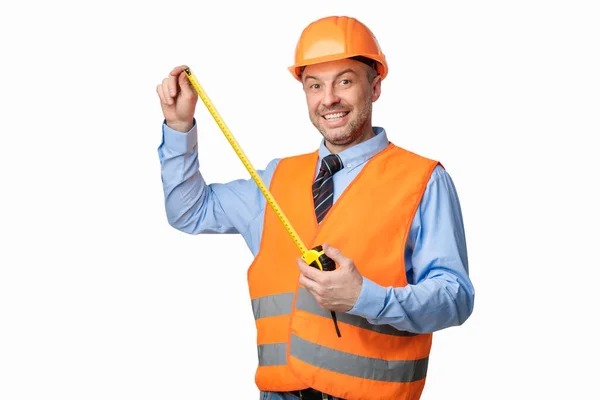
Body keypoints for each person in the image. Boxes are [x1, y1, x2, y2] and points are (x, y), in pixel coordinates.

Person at [156, 15, 474, 400]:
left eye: (345, 80)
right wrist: (178, 127)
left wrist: (365, 298)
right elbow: (188, 211)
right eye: (314, 85)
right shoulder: (275, 180)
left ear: (374, 87)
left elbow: (455, 297)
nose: (329, 99)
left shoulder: (422, 180)